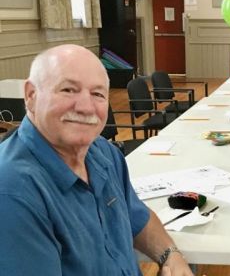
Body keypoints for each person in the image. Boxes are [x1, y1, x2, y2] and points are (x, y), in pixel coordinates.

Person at [0, 45, 194, 276]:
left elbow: (137, 217)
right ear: (31, 95)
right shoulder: (13, 191)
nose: (85, 107)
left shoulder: (103, 152)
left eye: (97, 94)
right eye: (68, 90)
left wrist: (170, 255)